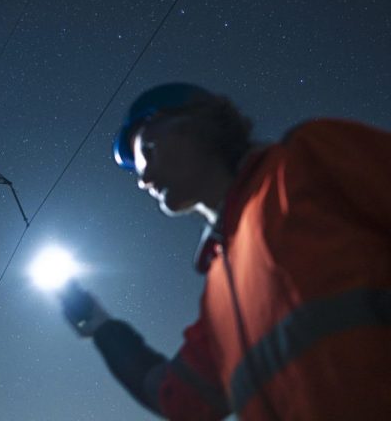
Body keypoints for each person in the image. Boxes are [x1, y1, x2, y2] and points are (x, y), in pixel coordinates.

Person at [59, 83, 391, 420]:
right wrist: (101, 328)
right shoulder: (218, 292)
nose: (143, 177)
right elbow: (177, 397)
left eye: (148, 147)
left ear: (194, 123)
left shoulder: (308, 162)